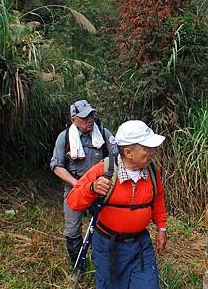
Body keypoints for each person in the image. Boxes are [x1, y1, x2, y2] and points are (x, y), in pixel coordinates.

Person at [67, 120, 167, 288]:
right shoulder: (105, 171)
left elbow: (157, 201)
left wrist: (161, 228)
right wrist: (92, 188)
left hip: (141, 245)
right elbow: (73, 201)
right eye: (147, 148)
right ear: (128, 152)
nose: (152, 152)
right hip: (108, 247)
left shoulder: (151, 172)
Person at [49, 100, 117, 273]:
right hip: (74, 188)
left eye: (91, 115)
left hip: (101, 189)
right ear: (74, 120)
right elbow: (57, 166)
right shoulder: (65, 137)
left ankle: (102, 262)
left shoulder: (102, 133)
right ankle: (77, 265)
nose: (90, 119)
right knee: (72, 231)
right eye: (85, 117)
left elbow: (116, 157)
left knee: (104, 228)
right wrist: (79, 184)